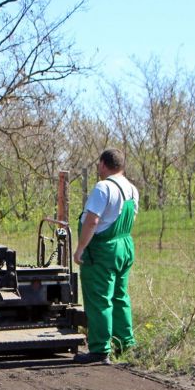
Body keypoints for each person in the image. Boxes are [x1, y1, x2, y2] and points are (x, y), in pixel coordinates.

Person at [72, 148, 139, 365]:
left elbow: (92, 221)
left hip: (102, 249)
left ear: (102, 164)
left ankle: (100, 349)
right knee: (120, 296)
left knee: (99, 299)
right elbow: (131, 218)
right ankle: (125, 344)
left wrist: (81, 248)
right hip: (124, 245)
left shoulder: (103, 188)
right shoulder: (132, 189)